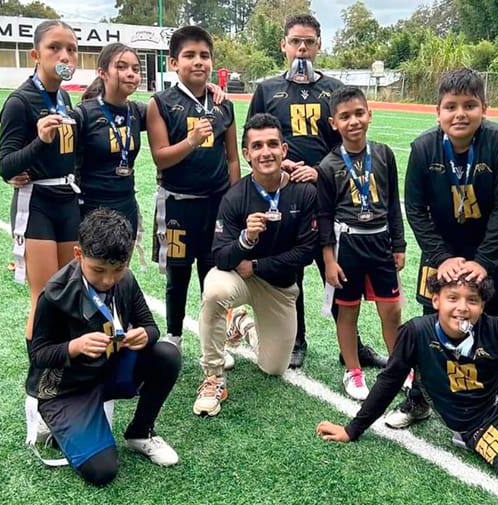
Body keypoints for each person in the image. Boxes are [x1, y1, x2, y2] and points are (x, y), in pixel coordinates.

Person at [317, 274, 498, 505]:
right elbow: (389, 381)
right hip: (484, 427)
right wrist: (352, 429)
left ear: (482, 306)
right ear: (436, 300)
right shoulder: (417, 332)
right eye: (453, 297)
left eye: (472, 300)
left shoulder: (492, 327)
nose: (462, 308)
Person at [387, 67, 498, 428]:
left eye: (469, 105)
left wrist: (483, 262)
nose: (460, 113)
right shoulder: (423, 147)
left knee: (489, 327)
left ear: (484, 108)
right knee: (432, 325)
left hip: (492, 251)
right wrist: (441, 257)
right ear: (438, 112)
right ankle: (418, 399)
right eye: (451, 106)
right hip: (442, 251)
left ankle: (490, 404)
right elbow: (415, 208)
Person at [245, 13, 384, 369]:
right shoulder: (267, 89)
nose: (302, 47)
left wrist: (319, 169)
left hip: (329, 191)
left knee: (334, 269)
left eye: (308, 41)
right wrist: (284, 167)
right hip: (286, 191)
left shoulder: (334, 89)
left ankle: (350, 344)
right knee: (292, 268)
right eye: (295, 41)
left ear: (319, 45)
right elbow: (253, 139)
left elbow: (347, 142)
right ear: (284, 45)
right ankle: (296, 340)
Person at [25, 208, 181, 486]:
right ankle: (56, 424)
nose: (108, 280)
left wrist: (145, 334)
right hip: (67, 389)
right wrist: (74, 346)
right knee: (102, 472)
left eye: (117, 270)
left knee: (167, 354)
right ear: (78, 255)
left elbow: (151, 326)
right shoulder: (55, 294)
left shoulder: (127, 281)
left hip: (109, 369)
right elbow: (38, 356)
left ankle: (140, 433)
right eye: (98, 270)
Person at [192, 113, 318, 417]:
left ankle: (243, 324)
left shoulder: (304, 192)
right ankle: (213, 376)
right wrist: (245, 240)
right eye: (257, 146)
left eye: (273, 144)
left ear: (284, 150)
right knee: (213, 291)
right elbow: (220, 256)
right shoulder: (236, 196)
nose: (266, 152)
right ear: (246, 154)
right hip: (239, 278)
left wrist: (258, 264)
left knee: (273, 368)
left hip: (278, 284)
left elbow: (307, 253)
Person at [146, 26, 240, 351]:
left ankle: (213, 338)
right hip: (177, 205)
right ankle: (174, 335)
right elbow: (160, 158)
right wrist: (191, 141)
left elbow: (232, 158)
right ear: (174, 62)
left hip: (215, 204)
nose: (198, 62)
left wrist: (234, 199)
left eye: (204, 56)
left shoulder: (222, 104)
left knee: (212, 274)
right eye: (189, 55)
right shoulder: (160, 103)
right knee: (178, 273)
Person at [317, 86, 405, 400]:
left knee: (391, 311)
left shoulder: (383, 154)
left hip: (380, 242)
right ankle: (352, 370)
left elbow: (394, 202)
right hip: (348, 245)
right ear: (333, 123)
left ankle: (398, 366)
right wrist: (328, 259)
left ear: (369, 114)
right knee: (347, 312)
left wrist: (399, 244)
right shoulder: (328, 166)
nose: (353, 121)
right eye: (345, 116)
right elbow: (324, 216)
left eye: (358, 113)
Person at [0, 20, 81, 341]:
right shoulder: (20, 102)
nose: (65, 56)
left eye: (71, 50)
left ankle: (65, 368)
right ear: (36, 54)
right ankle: (39, 382)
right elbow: (6, 166)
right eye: (55, 48)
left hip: (67, 200)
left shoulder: (63, 99)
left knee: (69, 292)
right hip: (38, 205)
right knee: (45, 296)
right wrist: (39, 141)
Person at [75, 42, 146, 240]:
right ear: (102, 72)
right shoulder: (84, 114)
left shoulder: (138, 111)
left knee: (121, 270)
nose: (131, 73)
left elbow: (172, 110)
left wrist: (207, 88)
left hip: (126, 204)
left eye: (135, 69)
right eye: (121, 67)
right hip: (91, 207)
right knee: (92, 269)